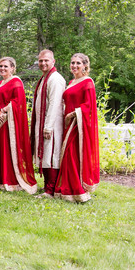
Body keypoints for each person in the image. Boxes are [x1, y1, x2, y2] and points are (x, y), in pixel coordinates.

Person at [0, 57, 37, 193]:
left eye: (5, 66)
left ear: (13, 68)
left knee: (9, 150)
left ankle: (11, 181)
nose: (2, 69)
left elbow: (18, 101)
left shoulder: (16, 82)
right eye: (1, 66)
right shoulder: (0, 83)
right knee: (0, 151)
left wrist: (4, 110)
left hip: (9, 122)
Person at [55, 53, 100, 202]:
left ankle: (77, 191)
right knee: (67, 157)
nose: (74, 66)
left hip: (78, 124)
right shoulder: (72, 82)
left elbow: (89, 105)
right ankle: (66, 189)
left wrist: (74, 114)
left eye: (78, 63)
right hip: (68, 124)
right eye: (72, 63)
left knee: (72, 155)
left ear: (85, 66)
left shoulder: (88, 82)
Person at [31, 49, 66, 198]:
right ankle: (47, 186)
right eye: (40, 61)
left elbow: (55, 104)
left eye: (46, 60)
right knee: (45, 154)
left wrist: (48, 126)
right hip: (43, 122)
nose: (43, 63)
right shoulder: (45, 78)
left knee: (52, 154)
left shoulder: (55, 79)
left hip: (52, 123)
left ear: (53, 61)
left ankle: (50, 190)